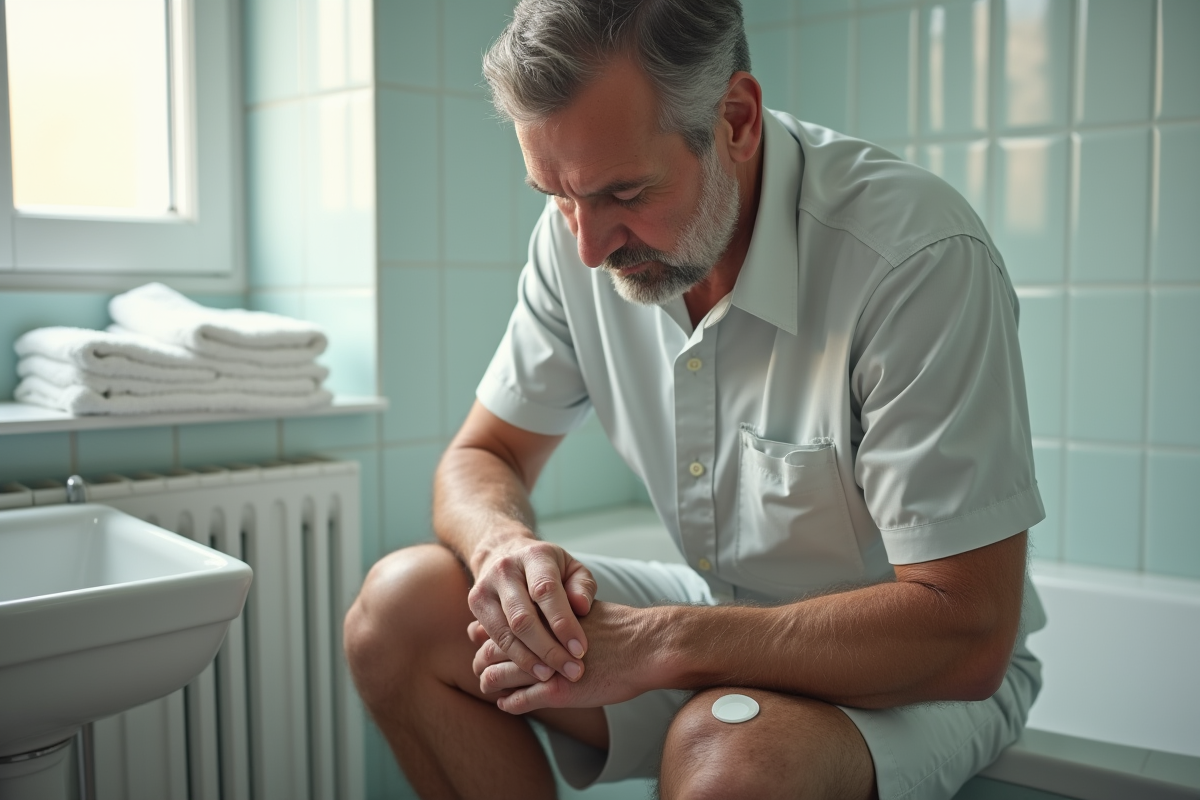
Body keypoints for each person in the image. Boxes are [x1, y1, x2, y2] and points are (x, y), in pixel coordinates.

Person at [344, 1, 1048, 797]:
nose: (587, 244)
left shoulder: (914, 260)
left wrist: (660, 642)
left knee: (729, 757)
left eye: (625, 192)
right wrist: (504, 548)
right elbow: (484, 455)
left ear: (737, 119)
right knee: (397, 614)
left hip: (910, 671)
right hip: (718, 613)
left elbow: (970, 632)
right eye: (557, 195)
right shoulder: (578, 238)